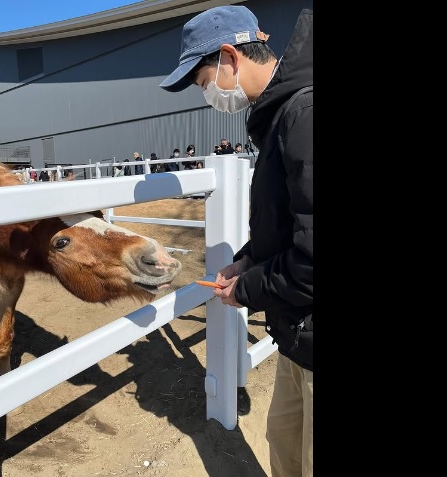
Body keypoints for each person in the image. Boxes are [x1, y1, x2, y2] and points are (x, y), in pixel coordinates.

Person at [159, 5, 313, 477]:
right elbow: (289, 222)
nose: (206, 93)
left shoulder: (303, 116)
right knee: (284, 447)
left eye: (203, 79)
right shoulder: (280, 117)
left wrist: (246, 290)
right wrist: (247, 261)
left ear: (229, 57)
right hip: (299, 336)